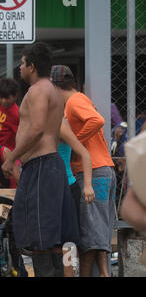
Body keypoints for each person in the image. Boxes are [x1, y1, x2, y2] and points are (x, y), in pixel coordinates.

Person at [1, 43, 80, 277]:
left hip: (41, 167)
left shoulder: (37, 91)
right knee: (55, 237)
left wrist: (11, 158)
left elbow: (36, 129)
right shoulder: (54, 91)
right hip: (51, 166)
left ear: (32, 66)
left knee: (40, 238)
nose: (20, 68)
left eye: (23, 63)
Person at [50, 65, 116, 277]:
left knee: (90, 235)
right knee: (97, 233)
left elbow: (97, 121)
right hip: (101, 170)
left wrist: (75, 143)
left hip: (94, 172)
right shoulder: (79, 100)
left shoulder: (74, 101)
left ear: (55, 87)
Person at [58, 118, 94, 277]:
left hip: (66, 188)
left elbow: (84, 154)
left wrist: (88, 185)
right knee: (53, 240)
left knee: (68, 242)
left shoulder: (59, 123)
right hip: (48, 190)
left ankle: (69, 274)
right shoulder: (37, 123)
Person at [0, 78, 20, 150]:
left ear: (15, 96)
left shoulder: (16, 115)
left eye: (7, 98)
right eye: (1, 97)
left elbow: (20, 138)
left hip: (4, 153)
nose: (4, 101)